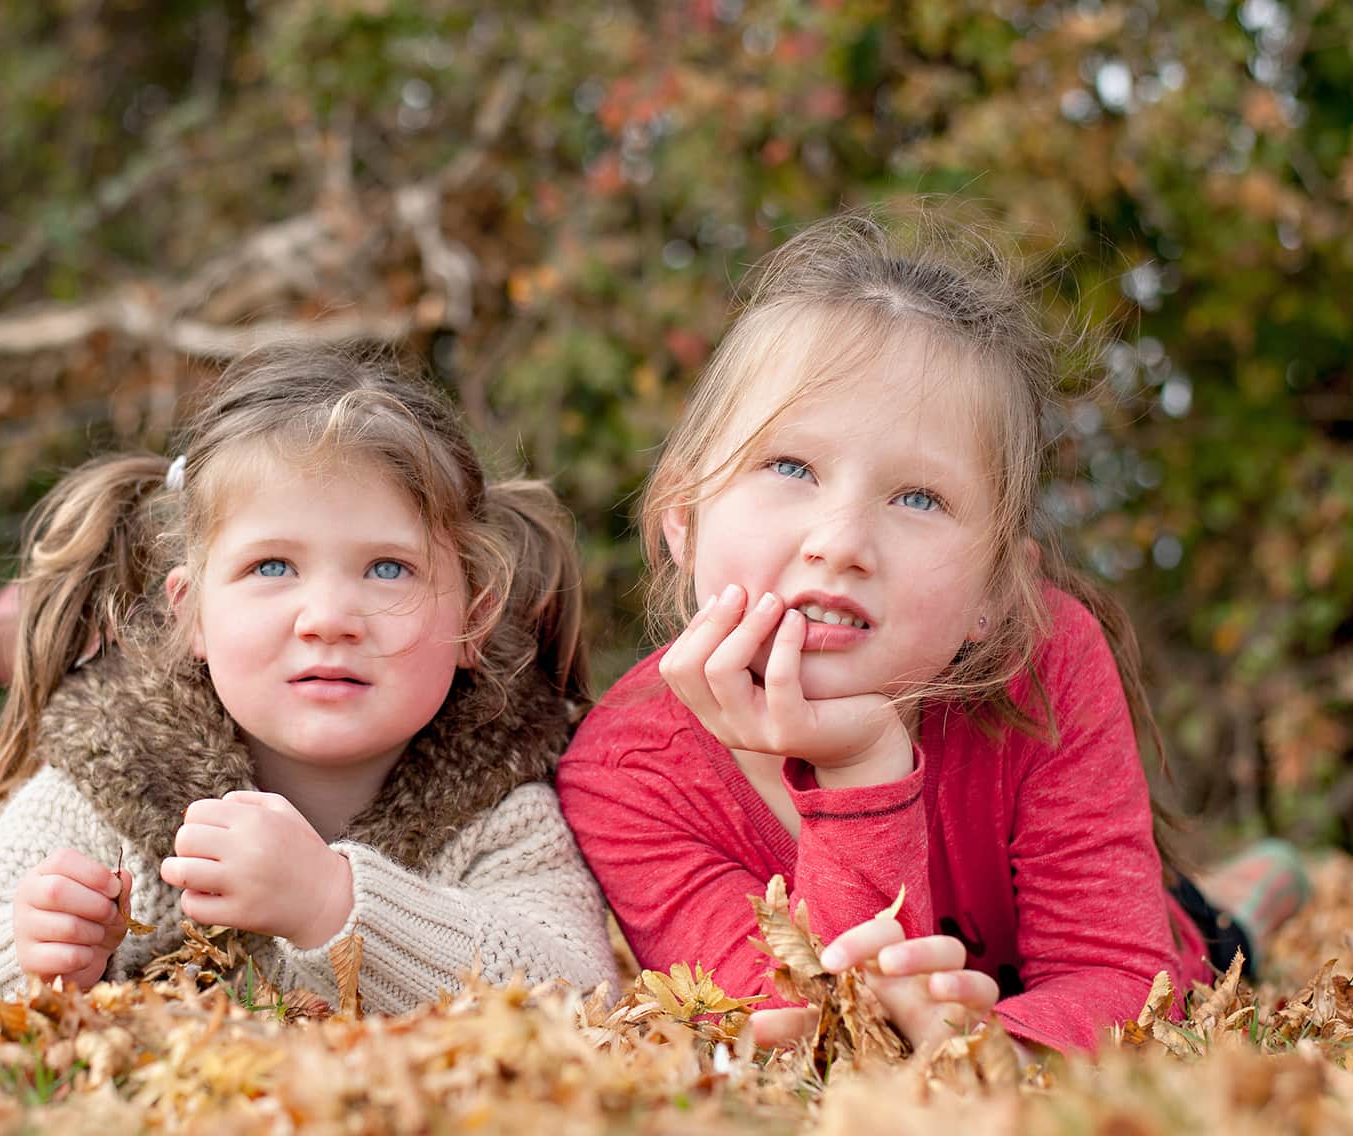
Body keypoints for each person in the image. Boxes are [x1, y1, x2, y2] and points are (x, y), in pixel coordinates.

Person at [556, 210, 1308, 1056]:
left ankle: (1255, 888)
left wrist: (992, 1050)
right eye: (790, 467)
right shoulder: (622, 775)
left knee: (1218, 932)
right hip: (980, 991)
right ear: (681, 519)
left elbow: (1125, 980)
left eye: (918, 498)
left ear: (996, 588)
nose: (839, 541)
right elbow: (806, 1033)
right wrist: (860, 766)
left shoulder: (1048, 654)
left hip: (1133, 952)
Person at [0, 345, 617, 1013]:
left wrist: (336, 905)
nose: (328, 618)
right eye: (272, 567)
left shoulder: (496, 806)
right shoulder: (125, 779)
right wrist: (25, 943)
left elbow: (579, 992)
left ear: (476, 618)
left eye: (388, 567)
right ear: (191, 613)